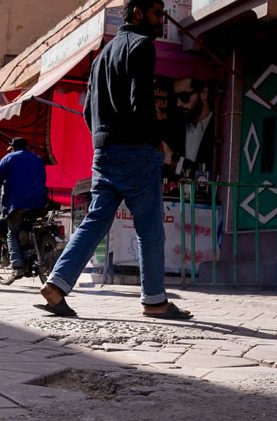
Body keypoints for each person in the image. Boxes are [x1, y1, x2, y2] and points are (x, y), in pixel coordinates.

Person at [38, 0, 192, 320]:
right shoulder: (142, 47)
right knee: (149, 228)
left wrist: (103, 141)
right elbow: (141, 103)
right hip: (136, 152)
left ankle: (57, 284)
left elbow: (86, 111)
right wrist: (156, 143)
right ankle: (154, 300)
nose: (161, 20)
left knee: (95, 222)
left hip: (104, 153)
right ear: (137, 12)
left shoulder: (101, 57)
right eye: (156, 12)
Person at [0, 136, 48, 275]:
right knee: (32, 225)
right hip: (40, 203)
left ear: (12, 147)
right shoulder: (37, 159)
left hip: (17, 204)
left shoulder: (8, 158)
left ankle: (17, 265)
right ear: (27, 147)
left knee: (12, 231)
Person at [163, 77, 215, 179]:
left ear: (203, 94)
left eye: (184, 96)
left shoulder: (221, 128)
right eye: (175, 98)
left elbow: (212, 175)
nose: (179, 103)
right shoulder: (173, 130)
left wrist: (175, 160)